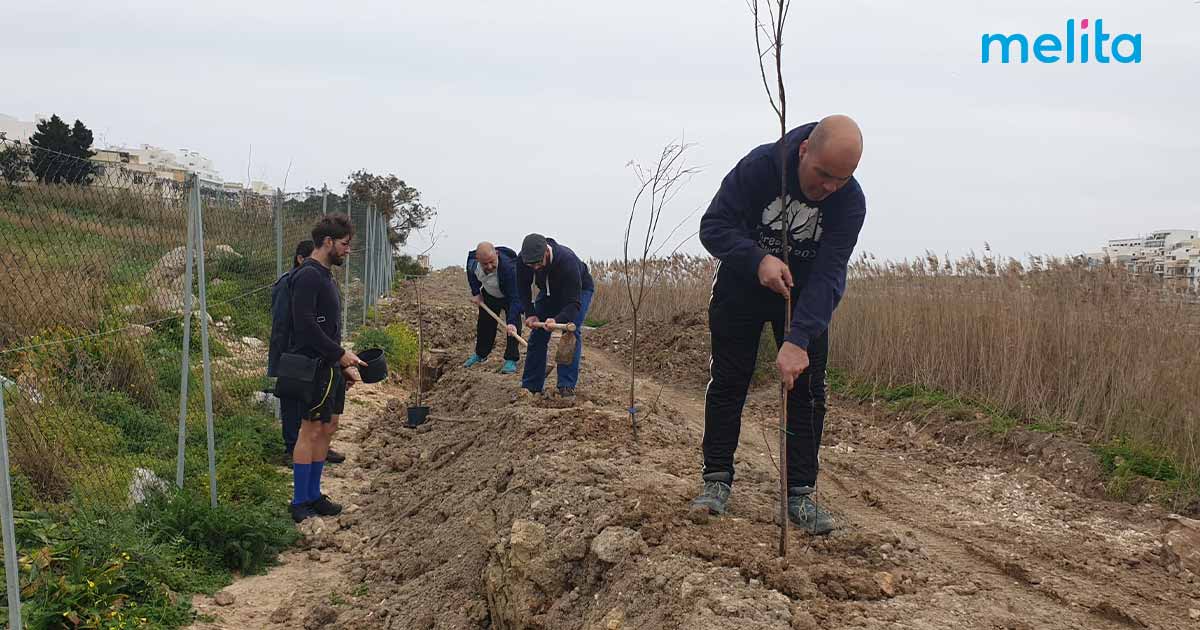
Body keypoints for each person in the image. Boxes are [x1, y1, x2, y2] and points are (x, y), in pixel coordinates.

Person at [690, 115, 866, 535]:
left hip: (803, 301)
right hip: (741, 291)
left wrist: (799, 338)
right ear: (804, 150)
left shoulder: (849, 203)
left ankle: (800, 495)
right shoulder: (760, 168)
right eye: (822, 174)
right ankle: (716, 481)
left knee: (807, 393)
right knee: (729, 381)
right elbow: (712, 227)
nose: (828, 188)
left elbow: (829, 274)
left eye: (840, 180)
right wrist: (757, 259)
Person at [287, 214, 368, 523]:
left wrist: (341, 362)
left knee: (328, 428)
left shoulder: (325, 275)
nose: (348, 250)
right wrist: (338, 354)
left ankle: (314, 495)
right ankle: (299, 502)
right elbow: (305, 326)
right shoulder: (308, 276)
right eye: (345, 244)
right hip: (312, 366)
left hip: (329, 364)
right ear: (328, 242)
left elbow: (325, 326)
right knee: (310, 430)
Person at [268, 240, 344, 464]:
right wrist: (285, 359)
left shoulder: (320, 279)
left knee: (311, 404)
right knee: (293, 400)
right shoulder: (288, 283)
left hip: (313, 354)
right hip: (293, 354)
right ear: (301, 259)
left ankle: (314, 445)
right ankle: (292, 447)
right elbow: (282, 323)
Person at [512, 233, 594, 398]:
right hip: (548, 292)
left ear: (546, 253)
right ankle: (531, 386)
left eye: (538, 264)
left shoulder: (567, 261)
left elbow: (573, 303)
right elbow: (522, 287)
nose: (535, 268)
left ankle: (566, 385)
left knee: (571, 331)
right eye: (531, 265)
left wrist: (557, 320)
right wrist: (530, 313)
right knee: (538, 334)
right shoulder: (524, 260)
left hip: (577, 292)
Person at [463, 241, 523, 374]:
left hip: (508, 296)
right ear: (478, 260)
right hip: (489, 295)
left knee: (513, 328)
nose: (489, 266)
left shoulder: (509, 269)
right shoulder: (473, 262)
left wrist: (512, 321)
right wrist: (476, 293)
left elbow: (515, 297)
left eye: (492, 262)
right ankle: (480, 354)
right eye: (485, 264)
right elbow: (471, 276)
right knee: (484, 325)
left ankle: (511, 359)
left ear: (496, 254)